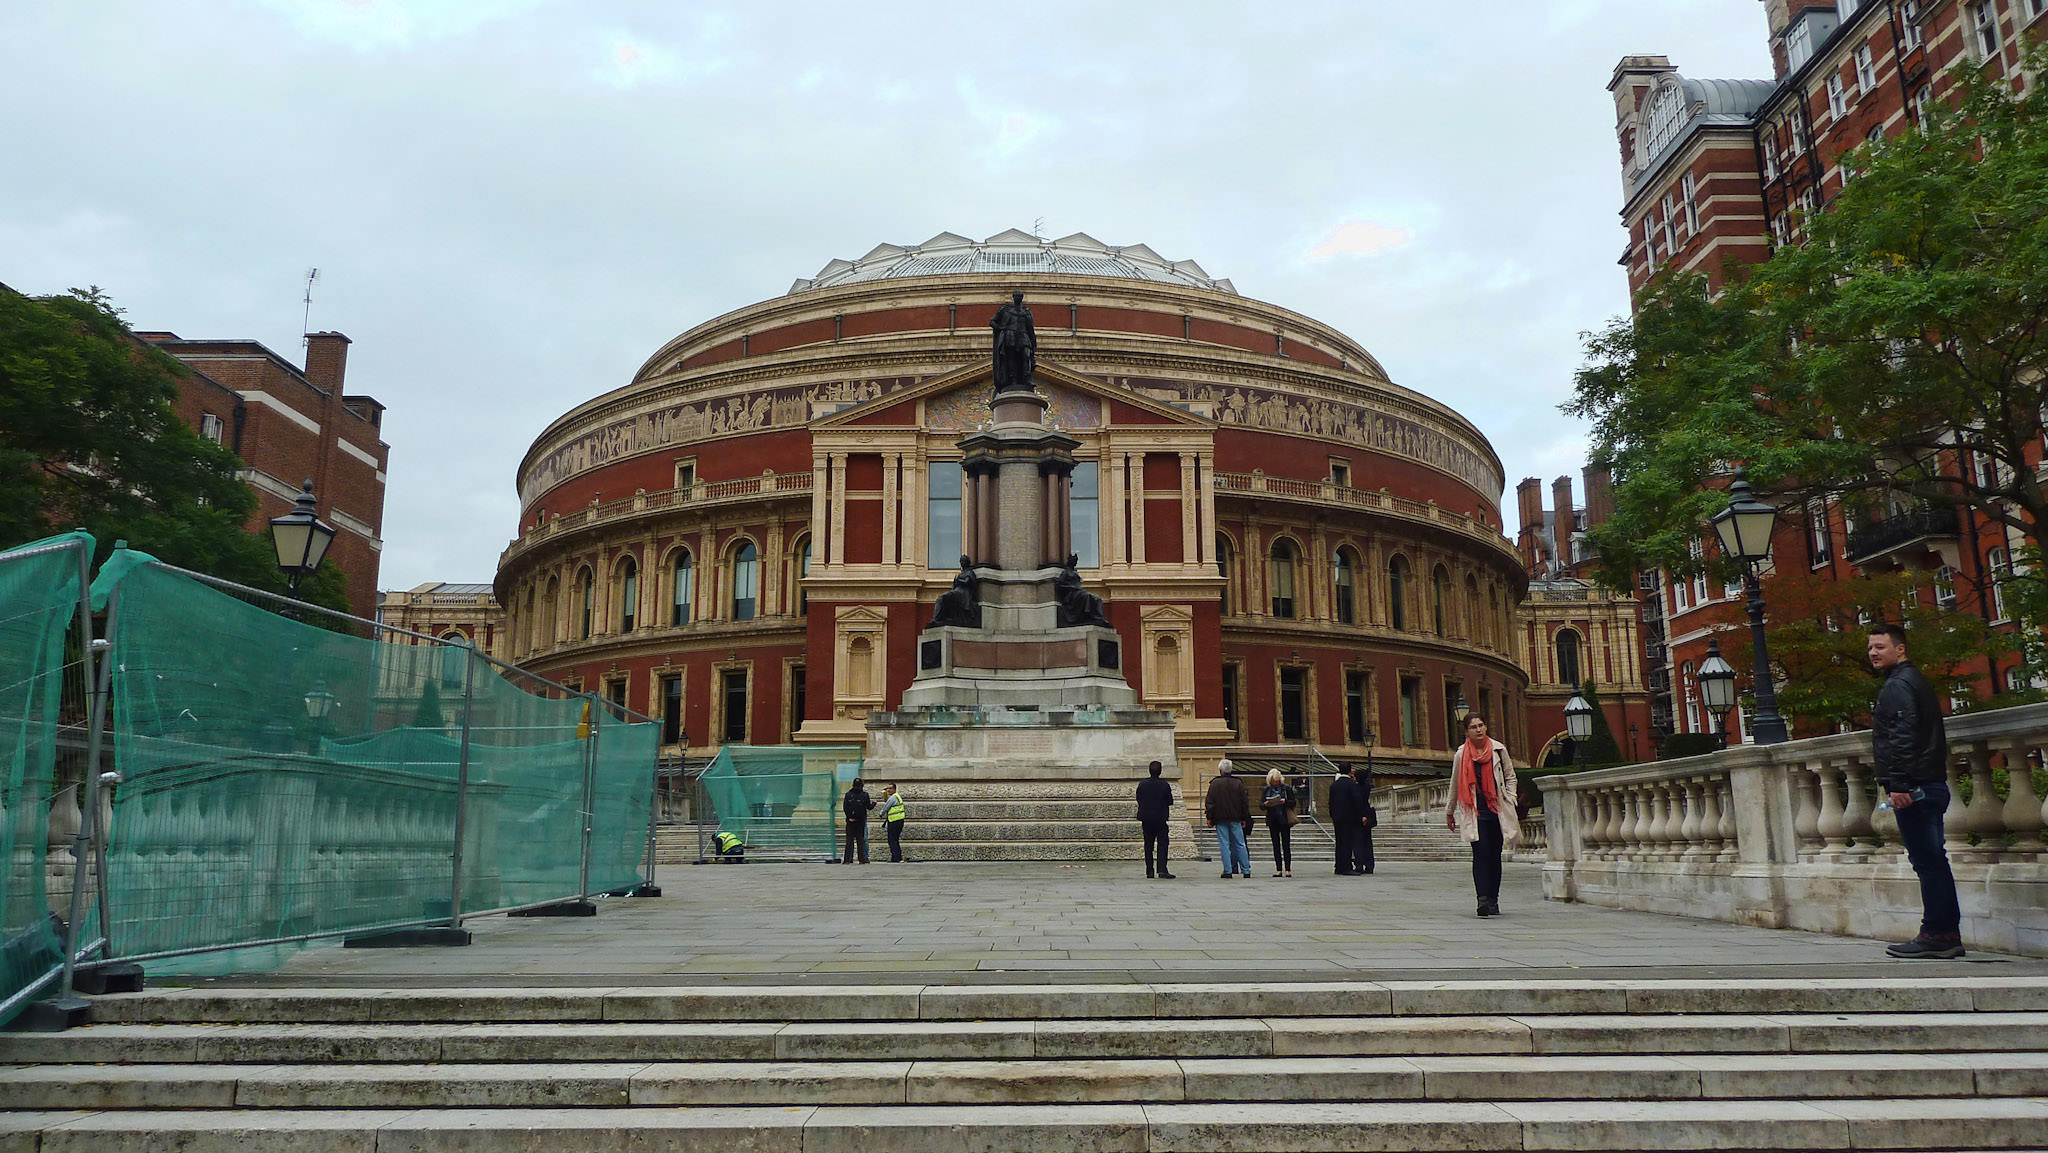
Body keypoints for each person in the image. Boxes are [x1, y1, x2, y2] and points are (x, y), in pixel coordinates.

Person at [1868, 625, 1963, 959]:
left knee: (1928, 862)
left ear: (1901, 649)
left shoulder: (1898, 685)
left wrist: (1900, 785)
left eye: (1881, 647)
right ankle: (1945, 933)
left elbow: (1903, 736)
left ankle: (1938, 934)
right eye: (1871, 648)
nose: (1874, 653)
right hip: (1928, 782)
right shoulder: (1912, 681)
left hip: (1917, 787)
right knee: (1934, 861)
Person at [1445, 713, 1518, 917]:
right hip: (1475, 812)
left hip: (1497, 810)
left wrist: (1510, 797)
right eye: (1473, 727)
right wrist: (1449, 812)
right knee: (1480, 855)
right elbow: (1454, 784)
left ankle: (1493, 899)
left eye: (1481, 725)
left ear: (1486, 727)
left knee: (1494, 856)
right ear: (1467, 731)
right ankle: (1482, 900)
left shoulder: (1498, 749)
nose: (1478, 730)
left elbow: (1511, 776)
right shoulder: (1461, 754)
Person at [1204, 758, 1252, 878]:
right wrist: (1244, 818)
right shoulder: (1238, 783)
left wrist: (1209, 817)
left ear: (1220, 770)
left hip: (1220, 818)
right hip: (1236, 817)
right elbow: (1244, 802)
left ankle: (1228, 870)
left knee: (1224, 844)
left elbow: (1209, 802)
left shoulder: (1214, 784)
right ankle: (1246, 869)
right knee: (1240, 843)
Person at [1135, 760, 1177, 879]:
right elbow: (1170, 801)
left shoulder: (1142, 784)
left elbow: (1138, 798)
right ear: (1160, 771)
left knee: (1148, 844)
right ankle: (1162, 869)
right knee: (1162, 844)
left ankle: (1149, 870)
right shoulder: (1164, 785)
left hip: (1146, 818)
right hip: (1160, 818)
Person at [1259, 768, 1296, 878]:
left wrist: (1285, 802)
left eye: (1277, 781)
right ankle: (1279, 869)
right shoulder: (1267, 790)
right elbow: (1261, 805)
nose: (1275, 783)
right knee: (1276, 845)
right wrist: (1266, 804)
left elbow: (1293, 802)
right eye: (1273, 781)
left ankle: (1288, 869)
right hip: (1273, 819)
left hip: (1284, 819)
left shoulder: (1286, 789)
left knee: (1286, 845)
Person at [1329, 762, 1364, 875]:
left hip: (1337, 818)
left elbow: (1331, 803)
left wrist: (1333, 817)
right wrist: (1360, 816)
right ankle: (1346, 867)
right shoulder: (1351, 784)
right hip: (1349, 818)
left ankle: (1338, 866)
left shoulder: (1334, 785)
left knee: (1339, 843)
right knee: (1347, 843)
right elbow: (1357, 801)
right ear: (1350, 771)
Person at [841, 777, 875, 865]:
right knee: (860, 841)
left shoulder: (848, 794)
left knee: (849, 841)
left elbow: (845, 807)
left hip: (850, 821)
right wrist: (874, 803)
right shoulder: (865, 795)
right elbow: (869, 807)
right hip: (860, 821)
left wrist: (849, 817)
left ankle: (847, 859)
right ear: (862, 785)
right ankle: (861, 859)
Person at [1356, 766, 1377, 875]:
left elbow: (1357, 803)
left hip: (1359, 815)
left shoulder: (1356, 788)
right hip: (1367, 813)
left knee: (1358, 842)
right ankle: (1369, 865)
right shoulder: (1367, 786)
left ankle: (1359, 864)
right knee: (1368, 842)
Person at [879, 783, 907, 862]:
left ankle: (895, 857)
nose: (889, 790)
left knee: (892, 840)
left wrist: (881, 814)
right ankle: (898, 857)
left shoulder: (893, 798)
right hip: (899, 821)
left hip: (894, 821)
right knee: (895, 839)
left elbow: (886, 807)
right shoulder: (897, 796)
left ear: (894, 789)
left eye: (890, 788)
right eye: (888, 788)